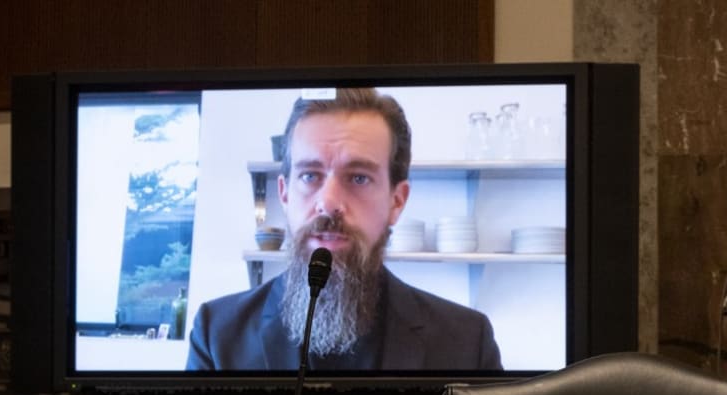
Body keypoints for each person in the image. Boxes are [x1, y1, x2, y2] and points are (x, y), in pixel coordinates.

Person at [186, 88, 502, 370]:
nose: (329, 202)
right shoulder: (217, 336)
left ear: (396, 201)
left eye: (358, 178)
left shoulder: (466, 343)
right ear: (284, 193)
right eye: (310, 176)